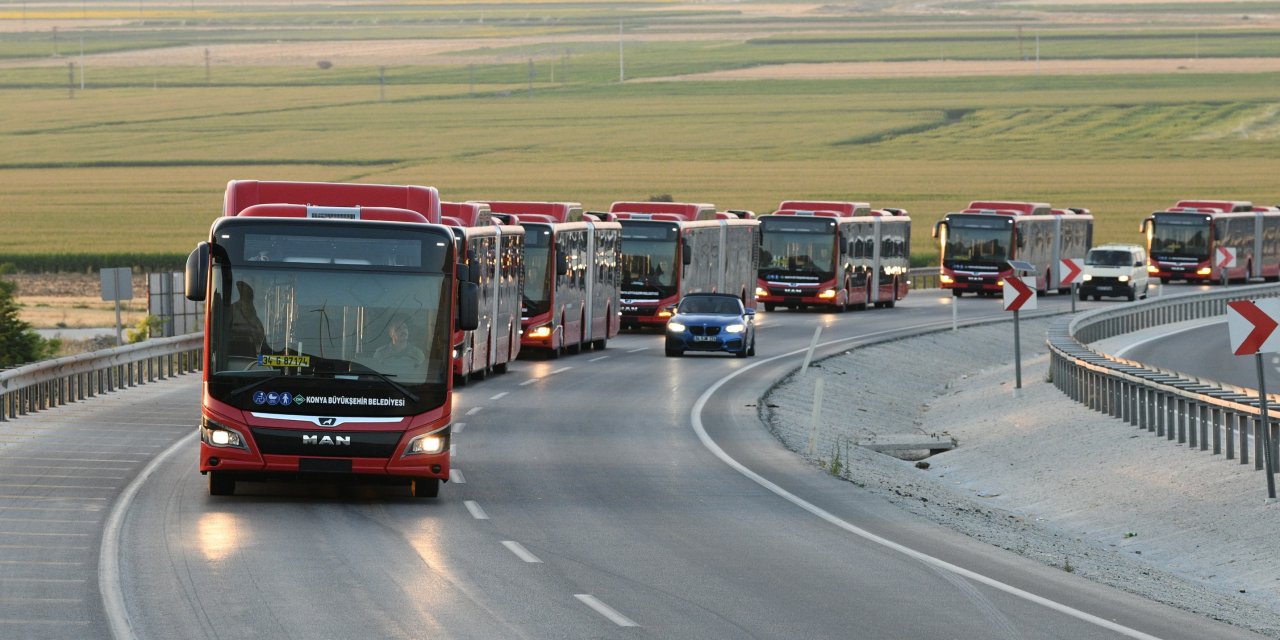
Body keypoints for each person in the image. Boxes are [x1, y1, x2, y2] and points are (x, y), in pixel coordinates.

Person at [228, 281, 266, 356]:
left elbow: (261, 335)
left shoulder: (255, 313)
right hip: (234, 354)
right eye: (245, 292)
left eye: (249, 293)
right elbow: (225, 332)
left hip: (251, 356)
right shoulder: (232, 310)